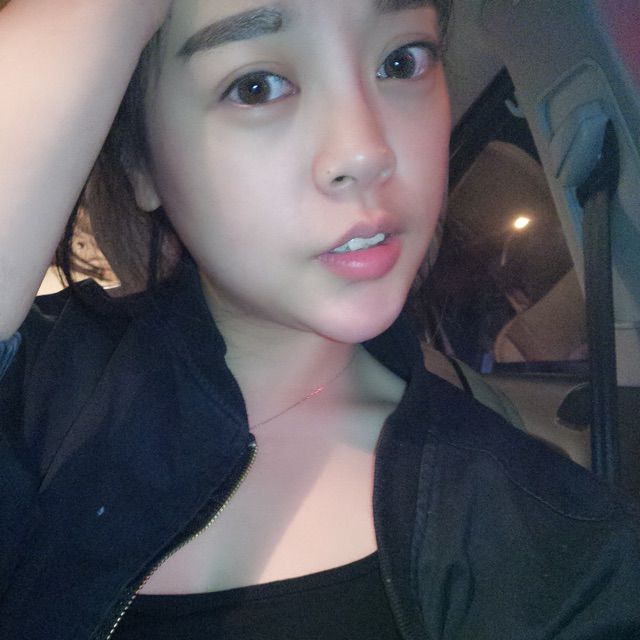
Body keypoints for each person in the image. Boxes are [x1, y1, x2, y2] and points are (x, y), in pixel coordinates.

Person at [1, 1, 639, 639]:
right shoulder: (38, 382)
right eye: (256, 87)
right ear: (141, 162)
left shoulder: (553, 541)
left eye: (401, 62)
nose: (365, 152)